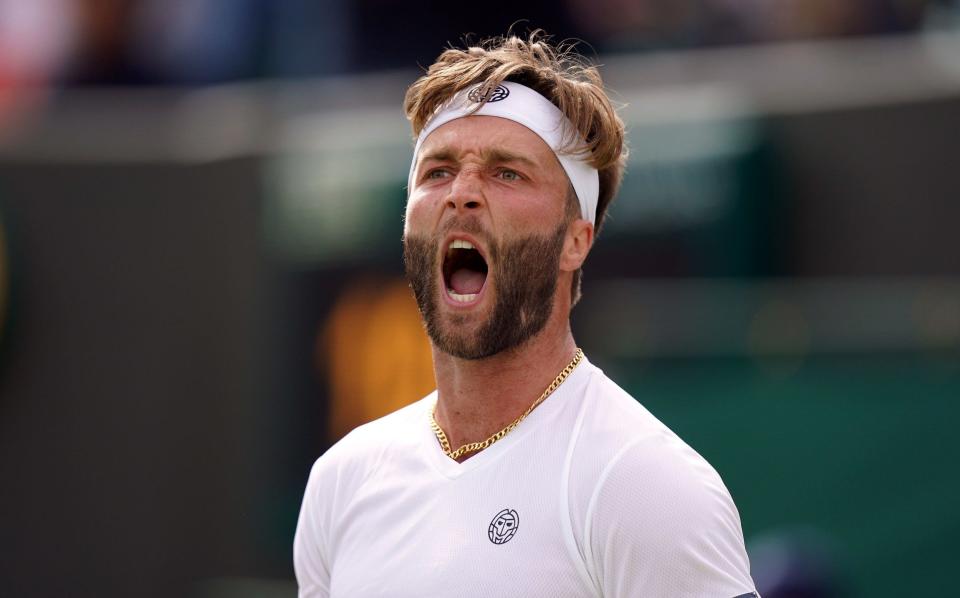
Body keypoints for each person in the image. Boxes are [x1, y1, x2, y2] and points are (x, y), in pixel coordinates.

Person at [294, 32, 759, 598]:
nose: (461, 193)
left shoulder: (644, 485)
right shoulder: (341, 483)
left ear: (575, 241)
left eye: (506, 172)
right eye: (437, 171)